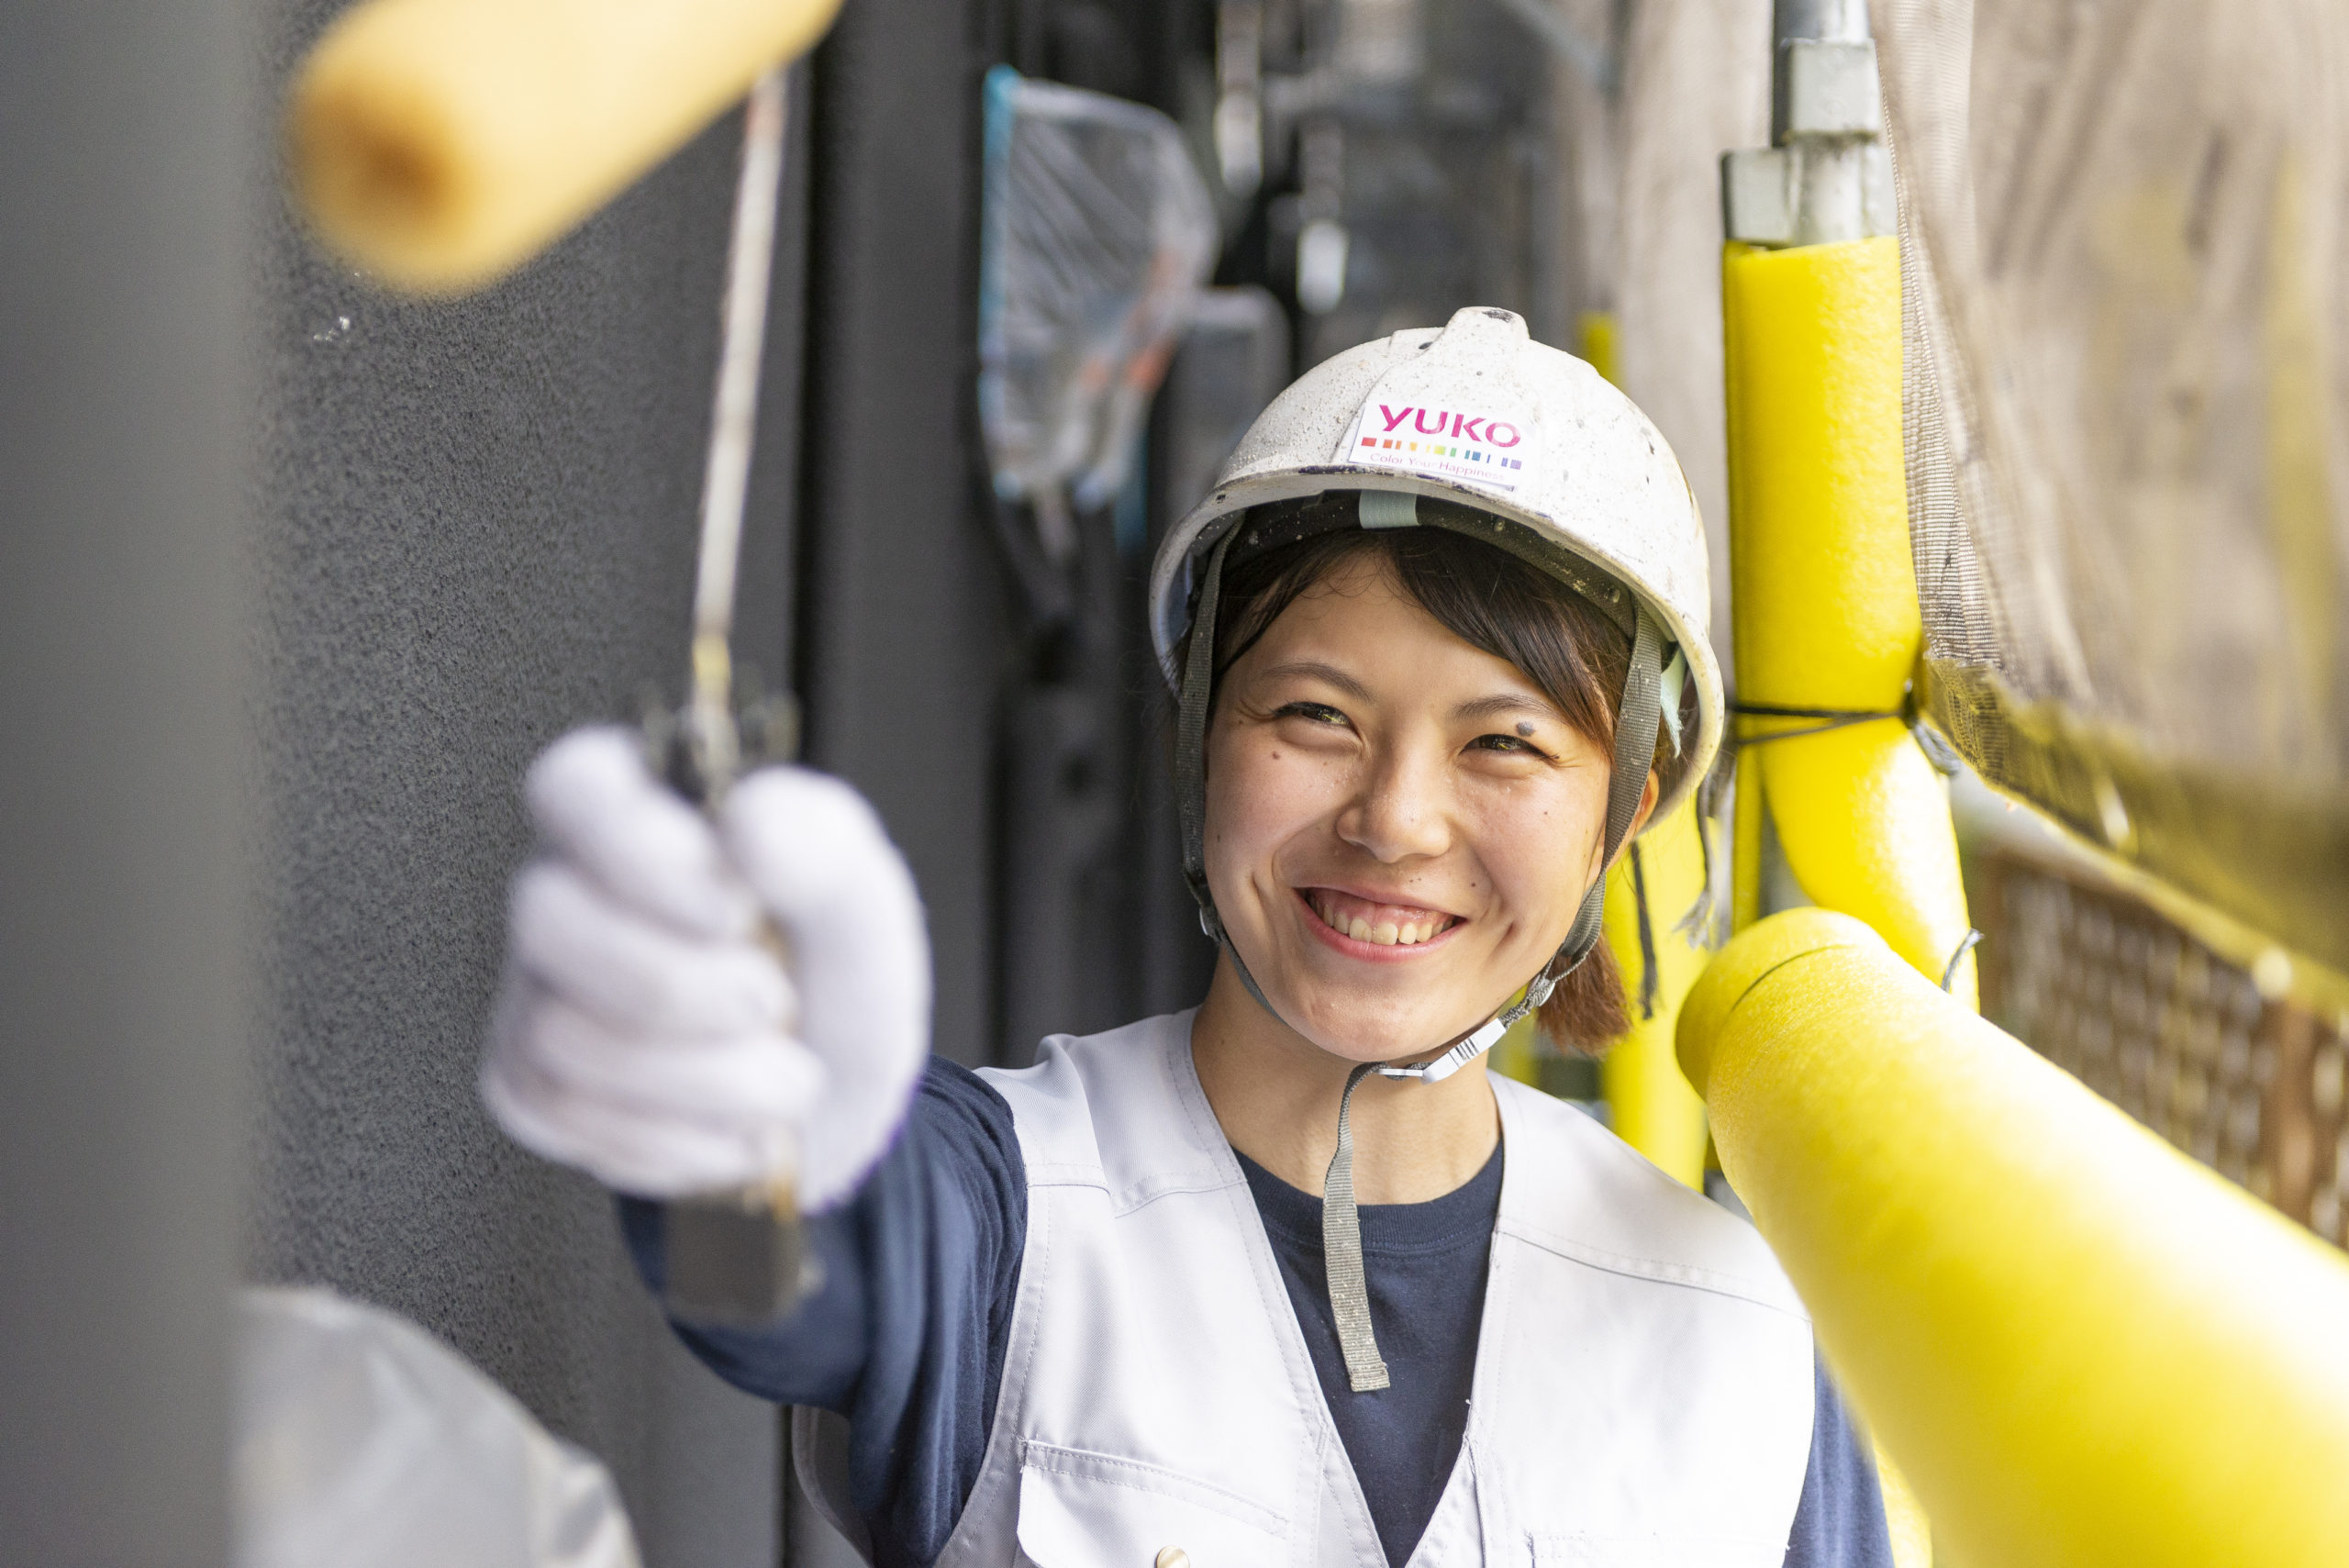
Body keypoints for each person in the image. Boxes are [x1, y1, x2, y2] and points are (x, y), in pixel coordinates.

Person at [482, 306, 1896, 1568]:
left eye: (1505, 743)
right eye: (1315, 716)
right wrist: (726, 1137)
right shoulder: (999, 1211)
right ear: (1201, 734)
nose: (1396, 819)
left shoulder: (1738, 1341)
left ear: (1626, 809)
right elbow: (784, 1273)